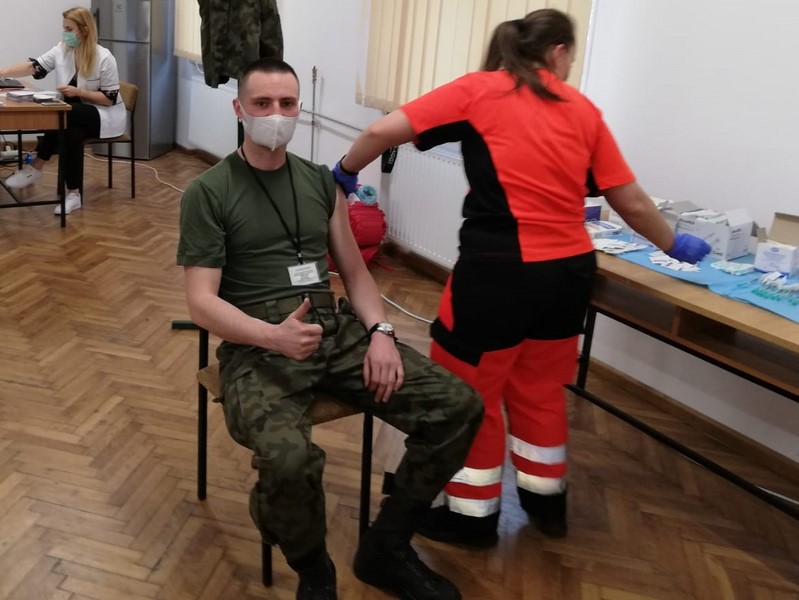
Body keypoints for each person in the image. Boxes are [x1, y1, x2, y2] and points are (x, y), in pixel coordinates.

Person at [333, 8, 711, 548]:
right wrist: (675, 245)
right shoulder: (582, 109)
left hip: (500, 275)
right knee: (540, 389)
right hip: (569, 275)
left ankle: (472, 517)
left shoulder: (480, 90)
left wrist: (346, 171)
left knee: (470, 393)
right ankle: (545, 503)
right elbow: (629, 199)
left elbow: (379, 130)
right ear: (557, 52)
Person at [176, 57, 483, 600]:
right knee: (289, 461)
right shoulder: (209, 191)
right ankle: (314, 570)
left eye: (287, 103)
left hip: (333, 333)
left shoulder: (320, 183)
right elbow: (201, 302)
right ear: (240, 109)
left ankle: (386, 547)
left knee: (458, 406)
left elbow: (357, 275)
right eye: (263, 104)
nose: (276, 115)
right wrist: (271, 336)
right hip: (257, 346)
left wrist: (382, 333)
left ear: (300, 108)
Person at [0, 7, 126, 215]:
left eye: (69, 29)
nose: (65, 33)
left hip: (101, 115)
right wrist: (3, 72)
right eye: (64, 28)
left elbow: (109, 99)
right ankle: (74, 195)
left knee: (60, 112)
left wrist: (79, 92)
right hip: (73, 116)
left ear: (84, 30)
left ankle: (35, 167)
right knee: (71, 133)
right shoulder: (62, 49)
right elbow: (35, 66)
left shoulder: (104, 57)